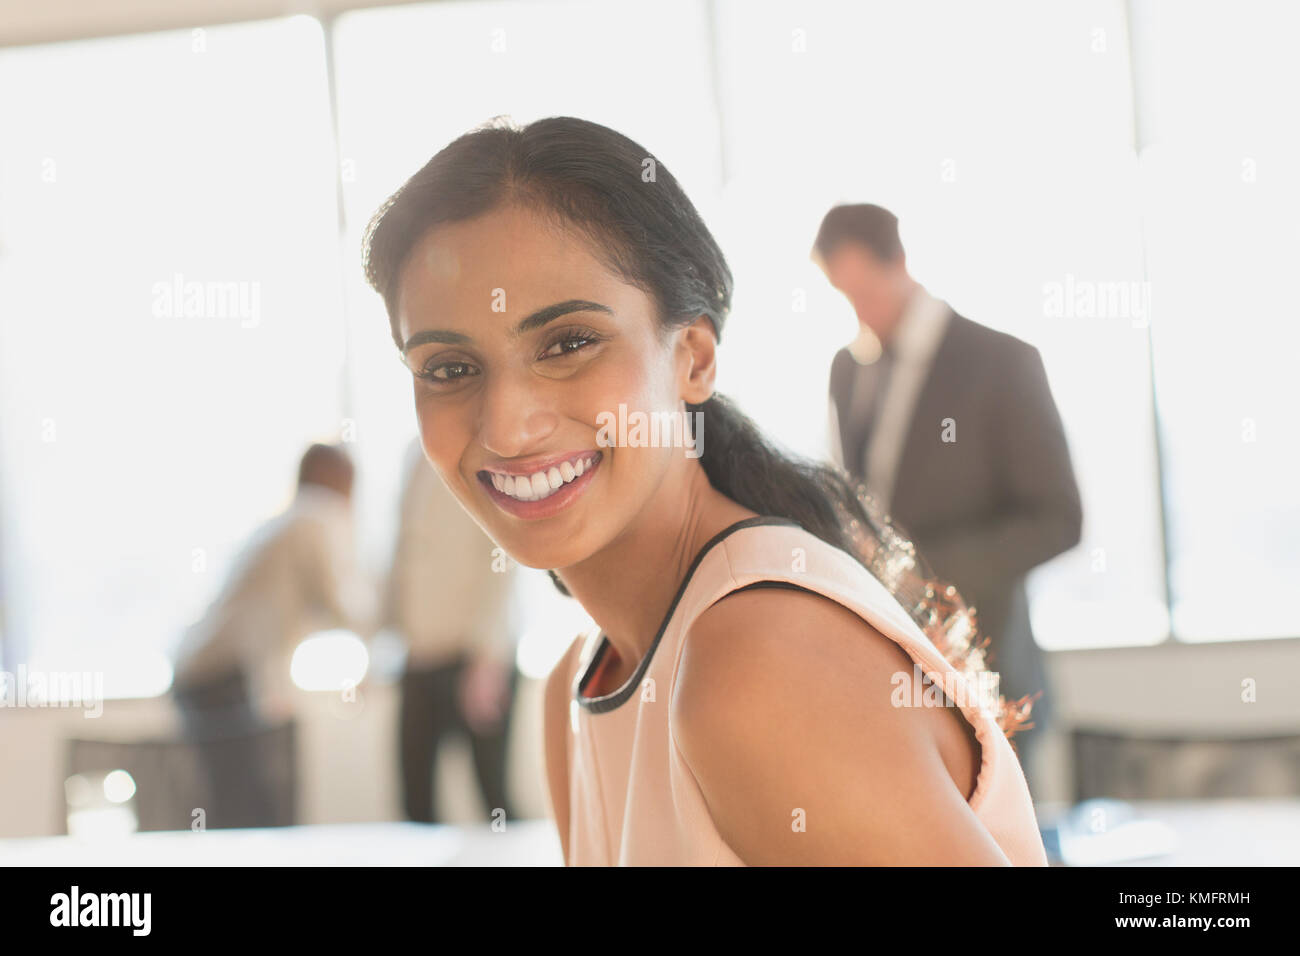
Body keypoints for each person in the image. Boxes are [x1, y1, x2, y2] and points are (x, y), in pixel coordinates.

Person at [361, 116, 1048, 865]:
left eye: (568, 343)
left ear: (693, 359)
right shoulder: (578, 680)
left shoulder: (758, 663)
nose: (506, 428)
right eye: (449, 369)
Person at [813, 203, 1083, 797]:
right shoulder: (847, 369)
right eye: (844, 296)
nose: (859, 312)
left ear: (901, 263)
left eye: (865, 291)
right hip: (887, 676)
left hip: (987, 669)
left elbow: (1059, 520)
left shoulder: (1003, 362)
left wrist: (920, 577)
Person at [171, 442, 374, 827]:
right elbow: (340, 603)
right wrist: (385, 628)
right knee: (253, 808)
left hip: (204, 671)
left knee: (234, 803)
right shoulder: (316, 516)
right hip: (223, 678)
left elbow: (276, 613)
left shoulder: (288, 521)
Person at [382, 436, 521, 824]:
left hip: (475, 659)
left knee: (494, 801)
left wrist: (488, 656)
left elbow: (504, 554)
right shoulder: (414, 454)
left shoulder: (490, 447)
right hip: (419, 656)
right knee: (415, 806)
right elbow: (404, 551)